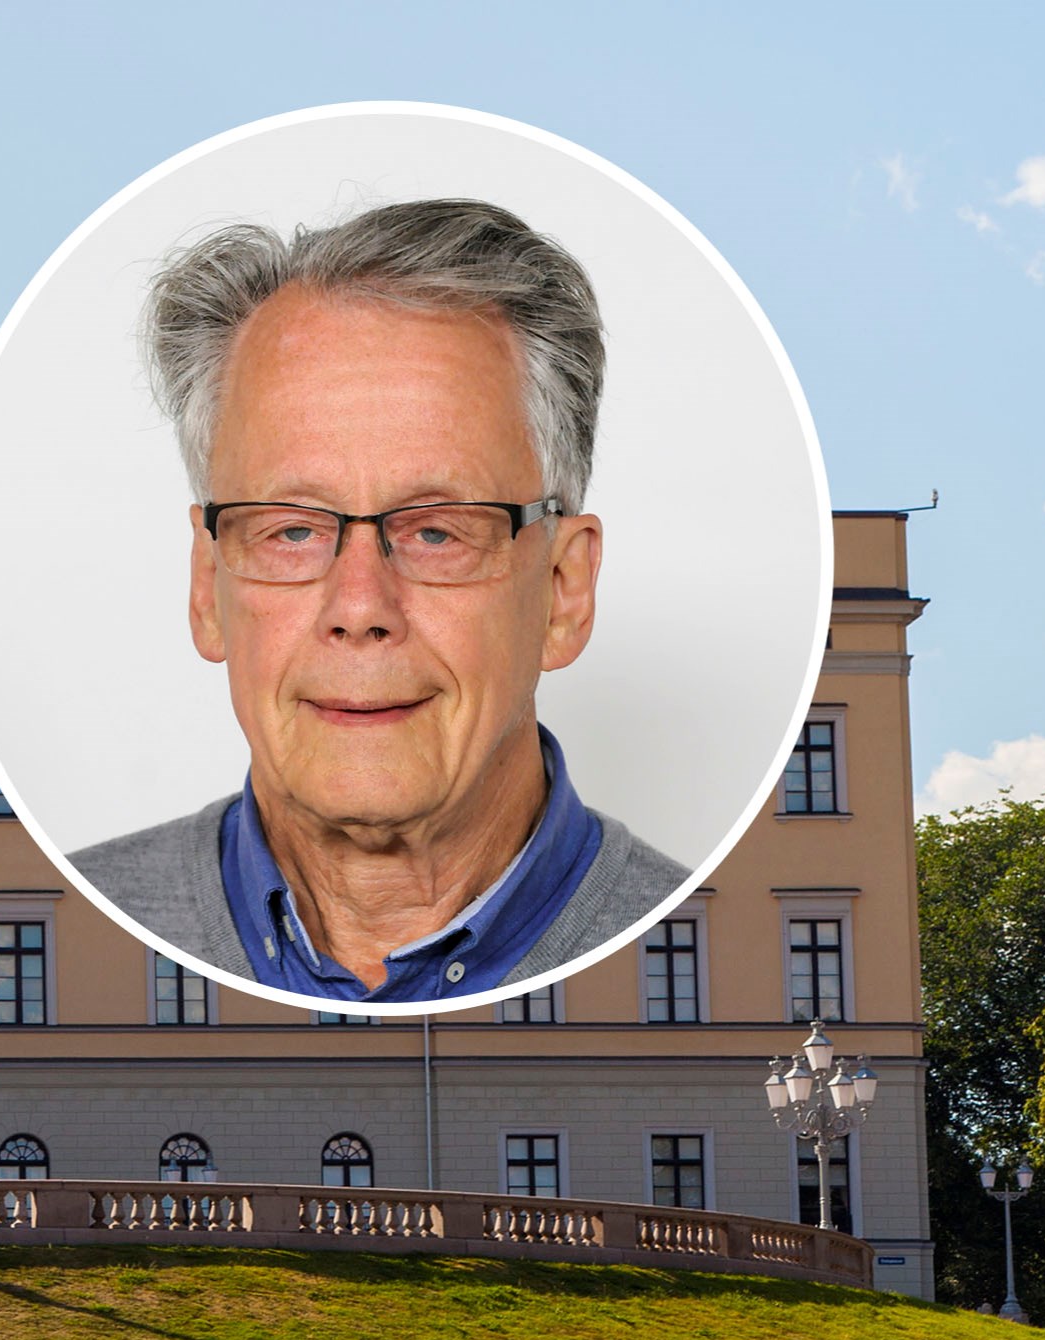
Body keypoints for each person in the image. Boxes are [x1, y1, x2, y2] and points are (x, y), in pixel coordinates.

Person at [72, 198, 687, 1005]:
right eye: (290, 532)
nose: (360, 606)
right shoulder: (85, 914)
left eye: (437, 532)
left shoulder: (692, 936)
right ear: (207, 586)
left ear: (563, 592)